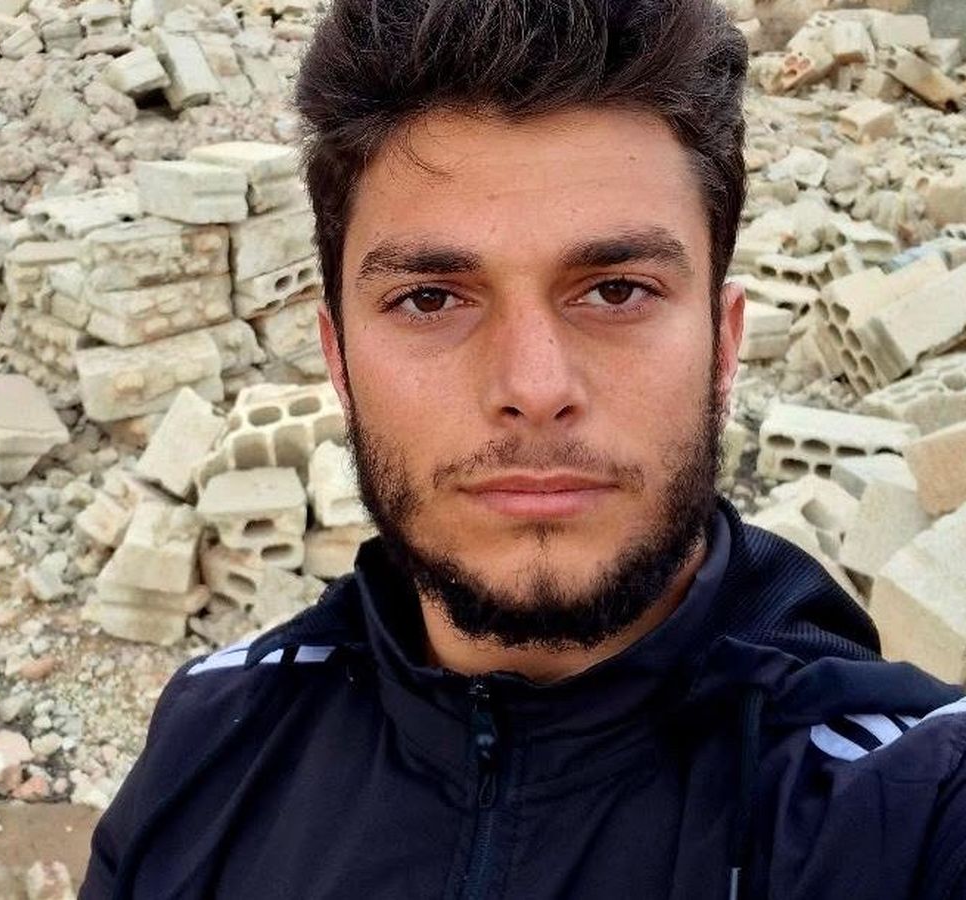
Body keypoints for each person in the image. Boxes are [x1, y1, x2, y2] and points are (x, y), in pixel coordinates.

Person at [81, 1, 966, 897]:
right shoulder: (207, 752)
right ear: (338, 360)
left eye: (616, 291)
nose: (534, 386)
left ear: (724, 346)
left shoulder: (907, 800)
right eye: (431, 299)